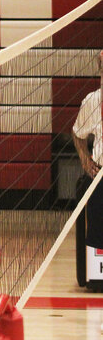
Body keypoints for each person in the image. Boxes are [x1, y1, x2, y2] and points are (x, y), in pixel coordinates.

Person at [73, 51, 103, 251]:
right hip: (100, 178)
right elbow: (77, 133)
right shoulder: (93, 100)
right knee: (98, 238)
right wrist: (85, 160)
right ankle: (98, 280)